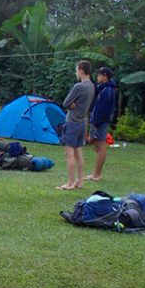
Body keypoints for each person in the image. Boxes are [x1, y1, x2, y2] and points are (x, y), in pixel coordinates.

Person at [57, 60, 95, 191]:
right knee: (79, 152)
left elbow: (66, 102)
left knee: (70, 153)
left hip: (73, 122)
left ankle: (70, 182)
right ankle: (80, 181)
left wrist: (72, 105)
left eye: (77, 69)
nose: (76, 72)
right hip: (83, 122)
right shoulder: (91, 86)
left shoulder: (79, 86)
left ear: (81, 71)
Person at [86, 67, 118, 182]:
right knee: (97, 146)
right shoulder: (103, 89)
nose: (97, 77)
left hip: (100, 122)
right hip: (98, 120)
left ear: (105, 76)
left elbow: (104, 109)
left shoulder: (108, 90)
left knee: (100, 147)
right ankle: (95, 173)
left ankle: (97, 174)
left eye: (99, 75)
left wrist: (96, 123)